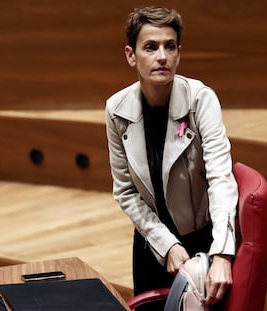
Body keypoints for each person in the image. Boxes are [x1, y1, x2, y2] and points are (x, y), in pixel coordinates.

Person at [105, 6, 238, 310]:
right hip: (151, 244)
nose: (162, 56)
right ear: (131, 55)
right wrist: (167, 245)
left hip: (204, 247)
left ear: (179, 53)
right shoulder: (116, 109)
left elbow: (221, 178)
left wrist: (223, 255)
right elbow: (125, 191)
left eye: (170, 46)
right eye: (150, 47)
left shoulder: (200, 99)